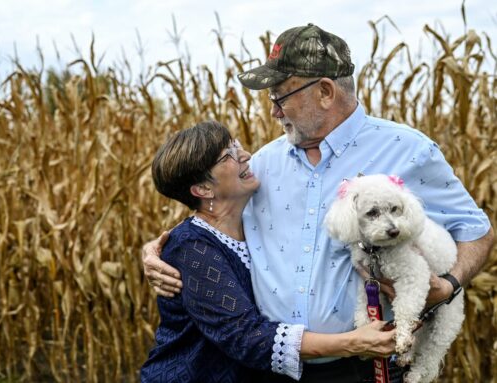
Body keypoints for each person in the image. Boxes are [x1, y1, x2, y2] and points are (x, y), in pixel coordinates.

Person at [142, 25, 494, 382]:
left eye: (280, 96)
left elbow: (476, 231)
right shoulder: (263, 165)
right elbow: (212, 218)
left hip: (365, 367)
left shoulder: (409, 150)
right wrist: (163, 249)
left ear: (325, 92)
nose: (274, 111)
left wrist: (448, 285)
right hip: (270, 370)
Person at [140, 120, 397, 383]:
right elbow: (245, 336)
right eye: (228, 155)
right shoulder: (191, 247)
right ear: (203, 189)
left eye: (236, 144)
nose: (245, 155)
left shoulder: (252, 222)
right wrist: (351, 342)